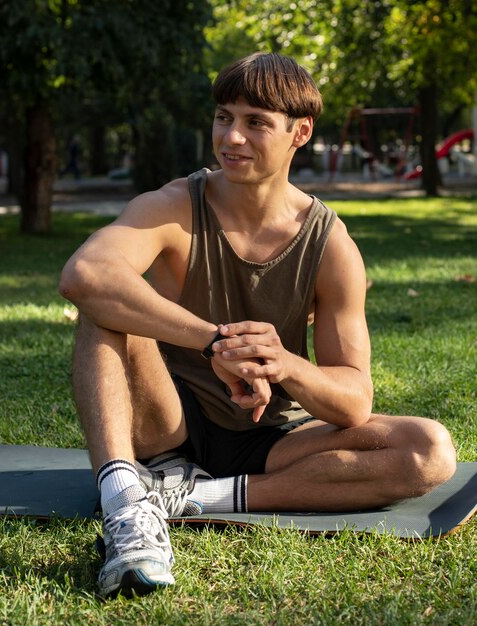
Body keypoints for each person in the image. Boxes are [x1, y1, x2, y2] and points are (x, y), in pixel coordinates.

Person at [59, 52, 456, 598]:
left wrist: (284, 363)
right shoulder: (175, 206)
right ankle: (128, 506)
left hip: (272, 437)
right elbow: (84, 273)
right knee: (105, 304)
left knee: (428, 449)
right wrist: (216, 341)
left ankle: (196, 499)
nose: (233, 138)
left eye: (255, 123)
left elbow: (353, 401)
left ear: (300, 132)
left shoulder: (330, 245)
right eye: (224, 117)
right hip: (171, 427)